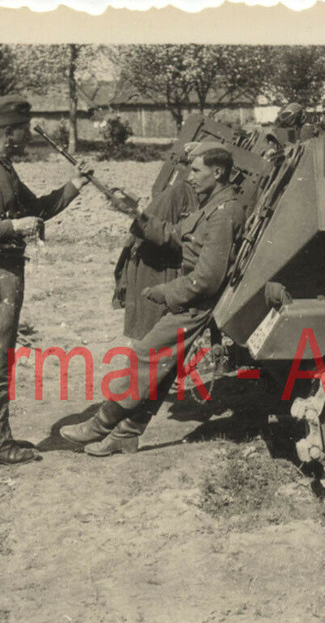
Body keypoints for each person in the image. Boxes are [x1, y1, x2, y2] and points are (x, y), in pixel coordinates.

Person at [60, 144, 244, 456]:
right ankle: (127, 434)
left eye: (197, 170)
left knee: (144, 355)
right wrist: (135, 214)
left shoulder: (224, 213)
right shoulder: (213, 205)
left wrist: (166, 292)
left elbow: (208, 278)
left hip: (197, 302)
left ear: (217, 172)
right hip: (193, 297)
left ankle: (99, 425)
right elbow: (176, 236)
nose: (190, 176)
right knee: (163, 365)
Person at [0, 94, 91, 465]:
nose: (28, 136)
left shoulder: (4, 166)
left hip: (4, 274)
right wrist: (13, 226)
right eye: (24, 130)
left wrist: (75, 184)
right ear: (6, 132)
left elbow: (36, 210)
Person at [114, 178, 198, 340]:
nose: (193, 177)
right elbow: (154, 231)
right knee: (152, 337)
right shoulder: (179, 192)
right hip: (155, 269)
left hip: (168, 268)